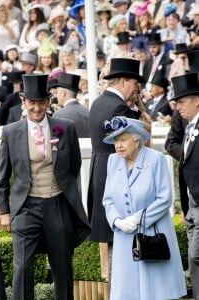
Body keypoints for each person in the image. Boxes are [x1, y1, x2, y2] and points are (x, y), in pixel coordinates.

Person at [0, 74, 90, 300]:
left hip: (57, 204)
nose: (37, 108)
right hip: (26, 207)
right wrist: (5, 212)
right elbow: (3, 176)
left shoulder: (64, 127)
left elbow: (73, 165)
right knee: (22, 268)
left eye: (41, 102)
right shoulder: (10, 132)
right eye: (32, 102)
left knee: (62, 266)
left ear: (49, 101)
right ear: (23, 101)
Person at [102, 116, 187, 300]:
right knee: (127, 292)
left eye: (123, 139)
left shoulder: (156, 159)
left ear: (137, 139)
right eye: (115, 140)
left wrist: (138, 218)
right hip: (125, 238)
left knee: (154, 292)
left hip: (151, 235)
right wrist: (117, 221)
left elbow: (164, 198)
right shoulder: (112, 161)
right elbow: (107, 199)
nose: (118, 145)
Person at [88, 58, 143, 245]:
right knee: (122, 240)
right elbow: (135, 142)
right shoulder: (118, 107)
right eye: (134, 83)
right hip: (117, 176)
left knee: (111, 240)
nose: (136, 89)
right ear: (123, 81)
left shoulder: (97, 102)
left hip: (99, 173)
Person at [171, 72, 199, 299]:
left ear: (196, 100)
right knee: (193, 260)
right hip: (192, 204)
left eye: (181, 102)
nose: (178, 107)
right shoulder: (189, 127)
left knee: (195, 254)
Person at [53, 72, 89, 138]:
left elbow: (57, 140)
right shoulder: (87, 111)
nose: (56, 96)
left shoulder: (59, 114)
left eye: (57, 92)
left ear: (64, 93)